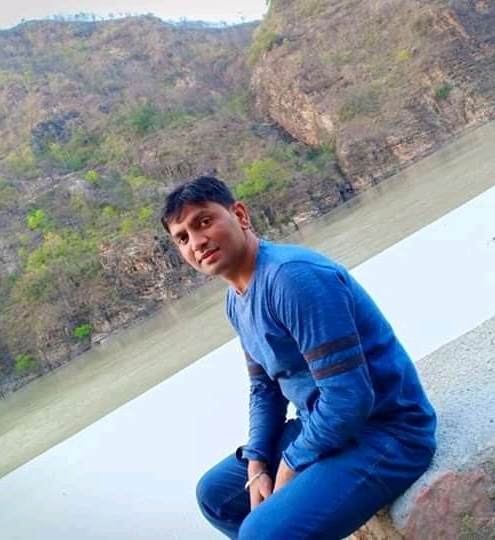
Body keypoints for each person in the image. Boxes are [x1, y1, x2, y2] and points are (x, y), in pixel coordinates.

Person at [160, 176, 437, 539]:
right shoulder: (236, 299)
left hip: (386, 430)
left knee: (260, 534)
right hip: (319, 424)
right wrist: (258, 462)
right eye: (182, 238)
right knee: (216, 496)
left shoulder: (291, 278)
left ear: (240, 215)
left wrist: (290, 464)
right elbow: (264, 389)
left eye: (204, 222)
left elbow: (349, 399)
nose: (197, 242)